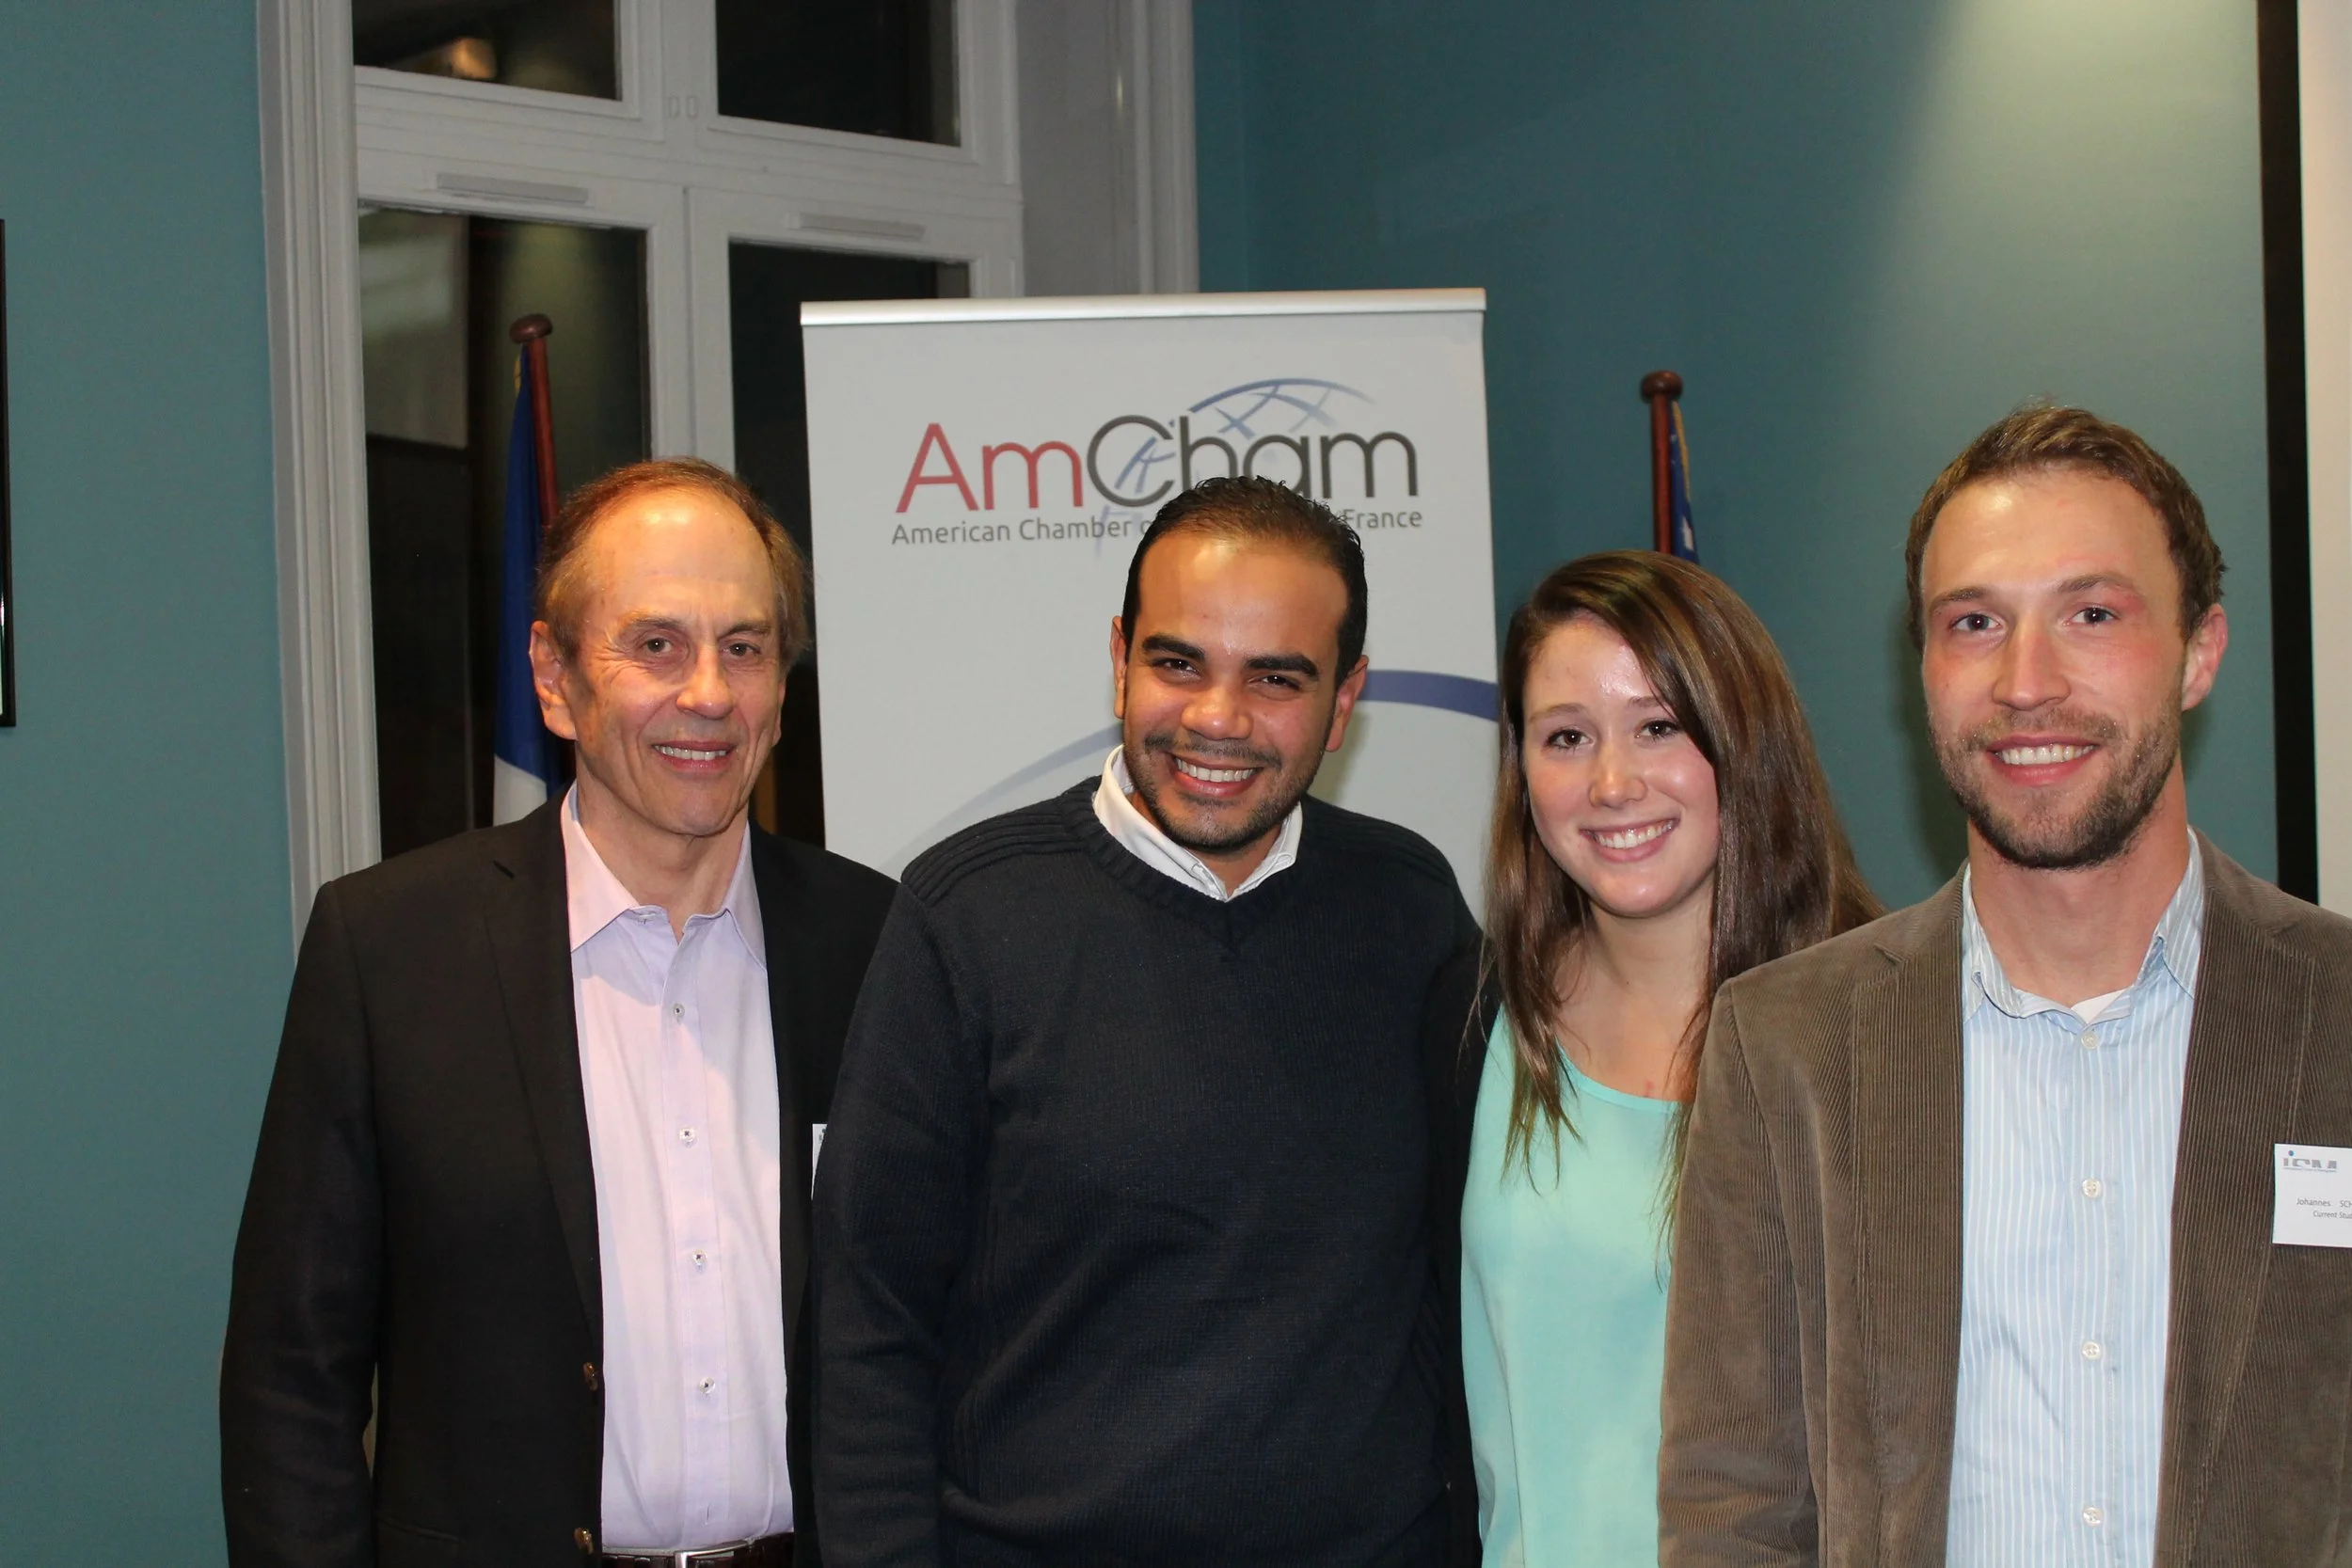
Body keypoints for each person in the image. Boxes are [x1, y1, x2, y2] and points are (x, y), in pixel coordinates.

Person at [1661, 404, 2352, 1565]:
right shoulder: (1786, 1042)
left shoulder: (2334, 1021)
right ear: (1923, 669)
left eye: (2091, 614)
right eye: (1973, 622)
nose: (2026, 683)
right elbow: (1733, 1502)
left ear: (2199, 651)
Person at [221, 458, 896, 1568]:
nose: (710, 695)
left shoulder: (875, 943)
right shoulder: (388, 950)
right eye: (656, 644)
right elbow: (292, 1370)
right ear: (552, 674)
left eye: (745, 646)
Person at [814, 474, 1486, 1568]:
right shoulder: (965, 914)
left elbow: (1465, 1276)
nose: (1217, 718)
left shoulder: (1410, 908)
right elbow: (870, 1325)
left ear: (1346, 695)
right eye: (1179, 662)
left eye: (1276, 677)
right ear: (1120, 654)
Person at [1459, 551, 1877, 1567]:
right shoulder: (1476, 1021)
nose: (1611, 782)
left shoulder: (1874, 1032)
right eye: (1566, 736)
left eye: (1657, 727)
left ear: (1743, 739)